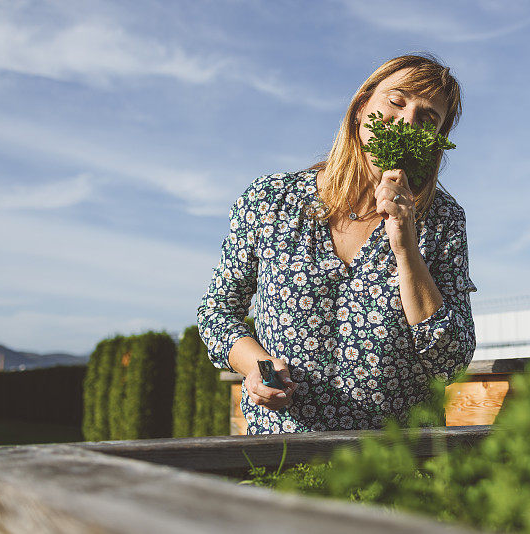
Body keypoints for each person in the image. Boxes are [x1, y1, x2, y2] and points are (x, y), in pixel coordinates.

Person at [197, 53, 477, 434]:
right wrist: (257, 368)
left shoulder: (443, 219)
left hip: (398, 461)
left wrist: (407, 246)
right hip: (286, 454)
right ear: (361, 108)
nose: (407, 119)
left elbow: (451, 360)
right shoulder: (271, 200)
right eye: (396, 102)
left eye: (427, 119)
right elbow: (217, 312)